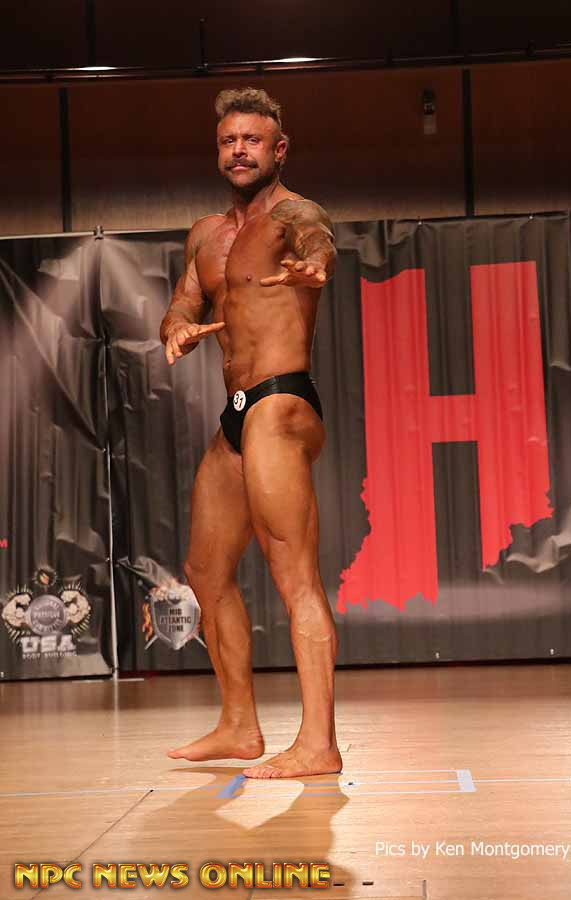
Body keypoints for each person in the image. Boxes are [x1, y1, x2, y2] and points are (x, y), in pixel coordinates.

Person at [160, 87, 340, 779]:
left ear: (279, 149)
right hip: (236, 413)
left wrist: (315, 263)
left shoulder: (294, 214)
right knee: (206, 572)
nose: (239, 150)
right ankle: (239, 726)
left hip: (280, 401)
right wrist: (177, 326)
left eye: (253, 140)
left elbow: (317, 239)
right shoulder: (206, 234)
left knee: (294, 576)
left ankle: (319, 744)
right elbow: (184, 300)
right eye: (229, 140)